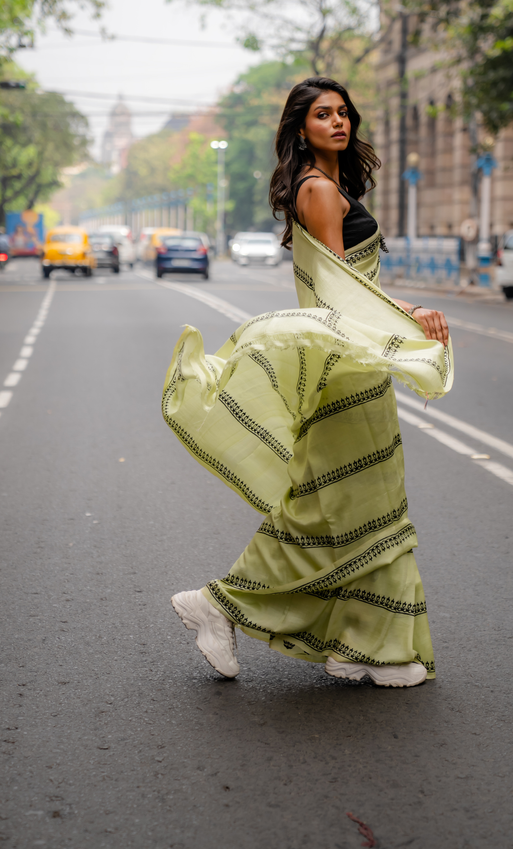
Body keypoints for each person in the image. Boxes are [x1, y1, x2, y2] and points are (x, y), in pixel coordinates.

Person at [166, 77, 453, 687]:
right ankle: (220, 604)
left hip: (350, 362)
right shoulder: (319, 190)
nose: (338, 122)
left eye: (344, 113)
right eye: (323, 115)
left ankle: (357, 643)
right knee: (353, 502)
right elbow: (341, 293)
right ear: (302, 129)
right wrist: (413, 316)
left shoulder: (330, 186)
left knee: (343, 503)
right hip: (344, 367)